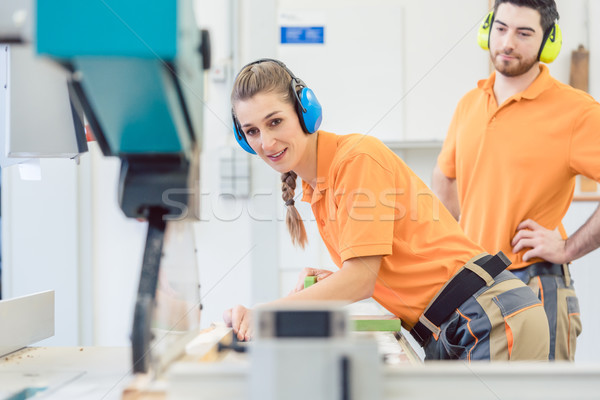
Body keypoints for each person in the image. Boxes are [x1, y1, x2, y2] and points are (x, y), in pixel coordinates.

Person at [225, 58, 550, 361]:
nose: (266, 143)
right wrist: (334, 280)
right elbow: (373, 270)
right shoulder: (319, 187)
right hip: (455, 326)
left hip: (486, 316)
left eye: (275, 122)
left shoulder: (355, 159)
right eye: (252, 131)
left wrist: (266, 313)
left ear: (304, 111)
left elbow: (360, 281)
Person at [433, 0, 600, 361]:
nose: (508, 42)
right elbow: (445, 178)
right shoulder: (469, 104)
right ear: (487, 30)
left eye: (524, 33)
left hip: (534, 285)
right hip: (473, 286)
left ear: (548, 42)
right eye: (501, 28)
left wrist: (569, 248)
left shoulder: (577, 111)